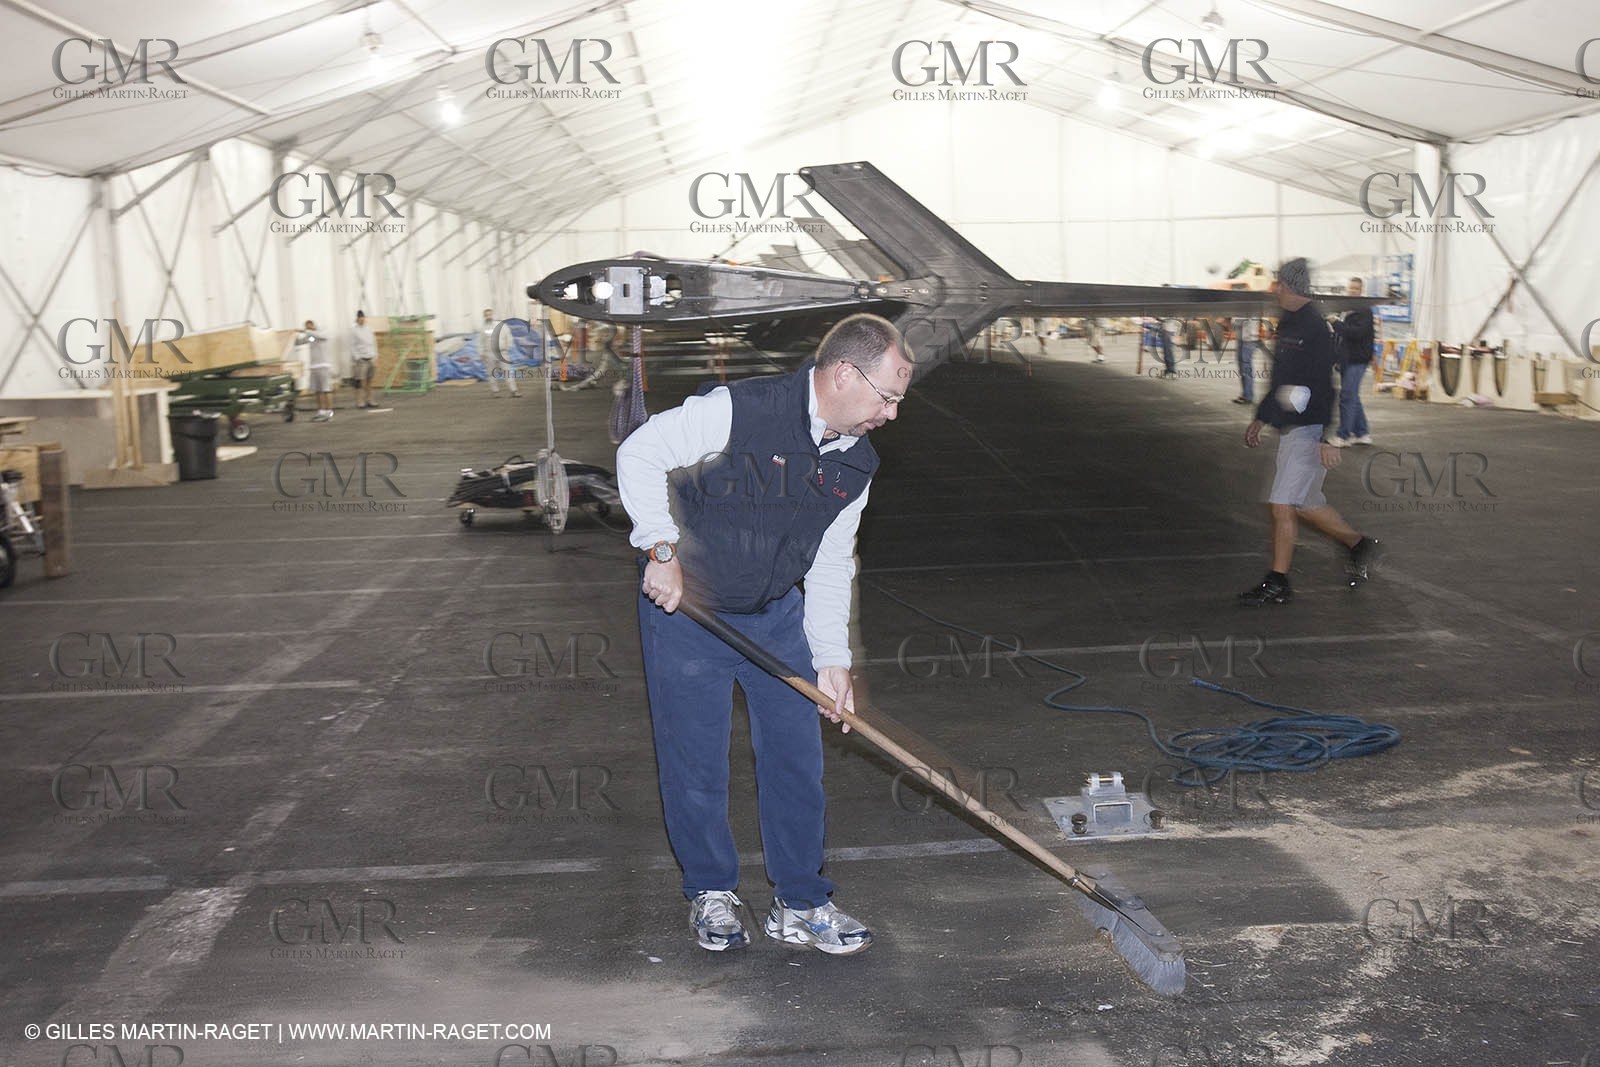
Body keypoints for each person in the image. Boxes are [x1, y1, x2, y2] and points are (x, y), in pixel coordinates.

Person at [616, 313, 913, 956]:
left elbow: (833, 561)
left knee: (796, 759)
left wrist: (832, 657)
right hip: (688, 613)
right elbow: (639, 451)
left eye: (897, 401)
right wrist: (659, 547)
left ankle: (801, 902)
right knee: (696, 761)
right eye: (887, 397)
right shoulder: (738, 410)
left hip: (776, 618)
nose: (890, 414)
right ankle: (711, 891)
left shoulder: (856, 462)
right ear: (843, 374)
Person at [1240, 258, 1379, 605]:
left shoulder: (1316, 328)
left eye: (1278, 285)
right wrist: (1261, 416)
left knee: (1282, 503)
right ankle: (1358, 545)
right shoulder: (1288, 323)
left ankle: (1278, 581)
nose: (1274, 290)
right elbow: (1280, 379)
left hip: (1308, 428)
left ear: (1290, 287)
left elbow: (1324, 385)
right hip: (1292, 427)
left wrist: (1324, 437)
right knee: (1304, 503)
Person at [1330, 277, 1375, 446]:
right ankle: (1362, 433)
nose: (1352, 291)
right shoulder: (1349, 310)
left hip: (1358, 360)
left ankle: (1343, 435)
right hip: (1347, 360)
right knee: (1352, 396)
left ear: (1361, 290)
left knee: (1347, 396)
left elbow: (1354, 333)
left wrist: (1336, 323)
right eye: (1351, 288)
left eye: (1356, 288)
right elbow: (1342, 338)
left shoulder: (1364, 311)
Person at [296, 320, 333, 421]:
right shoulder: (311, 337)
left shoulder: (322, 332)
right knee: (318, 390)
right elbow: (300, 342)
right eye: (306, 327)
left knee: (326, 390)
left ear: (313, 325)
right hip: (314, 366)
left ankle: (329, 412)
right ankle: (321, 411)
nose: (307, 328)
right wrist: (294, 335)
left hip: (323, 366)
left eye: (308, 326)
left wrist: (306, 331)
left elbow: (321, 336)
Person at [482, 308, 520, 397]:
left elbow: (509, 336)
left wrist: (508, 347)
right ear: (484, 317)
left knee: (507, 372)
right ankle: (495, 391)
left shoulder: (502, 326)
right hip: (490, 353)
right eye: (486, 315)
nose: (488, 317)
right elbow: (481, 341)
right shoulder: (483, 329)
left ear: (493, 315)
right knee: (491, 373)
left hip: (502, 352)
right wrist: (481, 353)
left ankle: (514, 390)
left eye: (489, 315)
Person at [349, 310, 378, 410]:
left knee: (369, 381)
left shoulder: (369, 329)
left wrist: (375, 356)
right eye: (360, 318)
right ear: (357, 319)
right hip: (361, 359)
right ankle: (359, 401)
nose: (362, 320)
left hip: (370, 357)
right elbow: (352, 345)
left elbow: (373, 343)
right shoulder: (353, 330)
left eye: (363, 318)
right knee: (360, 382)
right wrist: (357, 358)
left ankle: (369, 400)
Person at [1232, 313, 1263, 405]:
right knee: (1242, 368)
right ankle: (1245, 394)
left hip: (1249, 339)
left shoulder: (1250, 305)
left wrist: (1232, 320)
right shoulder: (1241, 306)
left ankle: (1248, 396)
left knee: (1246, 368)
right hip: (1242, 337)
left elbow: (1239, 321)